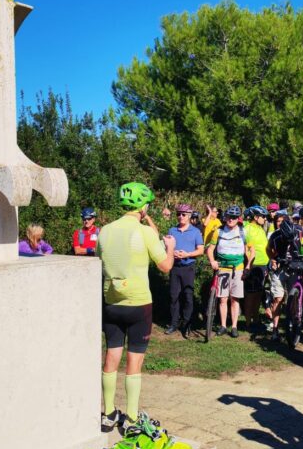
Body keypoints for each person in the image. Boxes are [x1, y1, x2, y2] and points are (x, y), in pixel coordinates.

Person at [98, 182, 175, 432]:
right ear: (143, 207)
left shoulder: (105, 231)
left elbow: (100, 260)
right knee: (134, 361)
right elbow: (165, 266)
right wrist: (171, 248)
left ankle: (108, 413)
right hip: (139, 303)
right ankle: (131, 418)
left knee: (111, 356)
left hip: (111, 301)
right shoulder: (145, 232)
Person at [206, 206, 253, 338]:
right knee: (223, 299)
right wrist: (212, 261)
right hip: (222, 268)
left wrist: (248, 266)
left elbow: (251, 250)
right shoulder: (219, 231)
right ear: (225, 217)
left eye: (234, 217)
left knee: (234, 299)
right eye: (229, 217)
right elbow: (210, 249)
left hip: (237, 269)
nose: (231, 219)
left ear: (238, 219)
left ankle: (234, 326)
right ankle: (223, 326)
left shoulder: (243, 232)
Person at [265, 218, 303, 340]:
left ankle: (296, 321)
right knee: (278, 298)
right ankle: (275, 329)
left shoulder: (300, 229)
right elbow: (268, 249)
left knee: (295, 297)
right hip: (280, 267)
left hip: (296, 266)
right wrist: (272, 259)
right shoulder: (275, 235)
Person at [165, 204, 204, 337]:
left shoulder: (195, 232)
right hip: (175, 267)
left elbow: (201, 250)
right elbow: (166, 247)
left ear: (189, 216)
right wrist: (172, 252)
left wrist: (187, 254)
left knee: (188, 296)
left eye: (183, 214)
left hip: (188, 267)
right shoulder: (172, 230)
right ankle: (174, 323)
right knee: (173, 296)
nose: (180, 216)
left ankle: (187, 324)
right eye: (178, 214)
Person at [243, 206, 270, 334]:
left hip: (263, 265)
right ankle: (248, 322)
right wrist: (247, 265)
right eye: (263, 216)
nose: (265, 219)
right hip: (253, 265)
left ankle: (256, 320)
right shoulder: (247, 228)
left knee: (259, 294)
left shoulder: (260, 229)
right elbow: (246, 248)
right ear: (255, 217)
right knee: (250, 295)